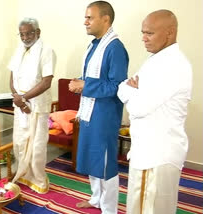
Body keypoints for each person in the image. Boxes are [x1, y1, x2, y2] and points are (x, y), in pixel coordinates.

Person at [117, 10, 192, 214]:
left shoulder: (172, 65)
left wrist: (130, 91)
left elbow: (139, 107)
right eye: (143, 32)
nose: (143, 38)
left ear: (170, 32)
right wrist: (131, 90)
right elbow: (123, 86)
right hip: (150, 152)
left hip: (155, 155)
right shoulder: (156, 59)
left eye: (149, 33)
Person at [69, 1, 129, 213]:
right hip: (90, 112)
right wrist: (79, 82)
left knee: (105, 163)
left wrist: (85, 85)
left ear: (106, 19)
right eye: (85, 17)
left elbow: (117, 86)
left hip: (104, 115)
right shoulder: (94, 44)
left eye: (89, 17)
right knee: (94, 160)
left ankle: (109, 208)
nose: (85, 22)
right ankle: (96, 199)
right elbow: (93, 78)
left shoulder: (115, 48)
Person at [8, 17, 56, 194]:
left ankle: (37, 179)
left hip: (36, 106)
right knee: (20, 142)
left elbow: (46, 82)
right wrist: (17, 97)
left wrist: (23, 98)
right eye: (22, 34)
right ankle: (22, 174)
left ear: (38, 32)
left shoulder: (46, 50)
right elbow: (12, 76)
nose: (25, 37)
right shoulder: (18, 49)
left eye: (29, 33)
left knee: (36, 146)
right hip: (20, 105)